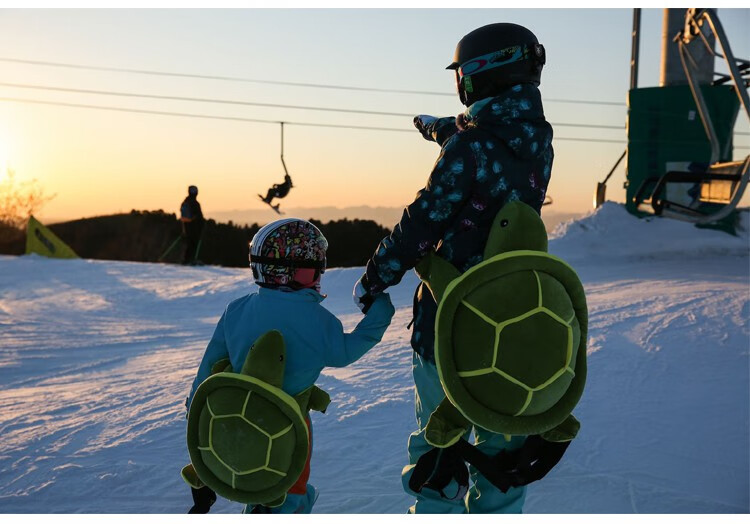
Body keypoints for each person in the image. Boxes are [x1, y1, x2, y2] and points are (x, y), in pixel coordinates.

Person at [353, 23, 555, 514]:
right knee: (502, 442)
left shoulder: (468, 148)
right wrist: (440, 128)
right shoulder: (538, 139)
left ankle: (438, 496)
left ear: (479, 75)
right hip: (514, 318)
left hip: (451, 321)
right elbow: (486, 145)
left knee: (437, 443)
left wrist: (375, 277)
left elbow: (423, 222)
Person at [186, 218, 395, 514]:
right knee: (286, 491)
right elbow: (347, 352)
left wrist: (194, 414)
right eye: (313, 270)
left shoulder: (237, 310)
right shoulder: (319, 322)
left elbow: (209, 368)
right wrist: (380, 313)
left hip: (230, 421)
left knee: (252, 479)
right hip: (288, 427)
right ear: (295, 272)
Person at [180, 185, 204, 264]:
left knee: (189, 243)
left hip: (186, 226)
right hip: (194, 227)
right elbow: (199, 216)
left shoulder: (185, 202)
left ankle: (186, 259)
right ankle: (190, 259)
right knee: (193, 243)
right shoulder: (195, 203)